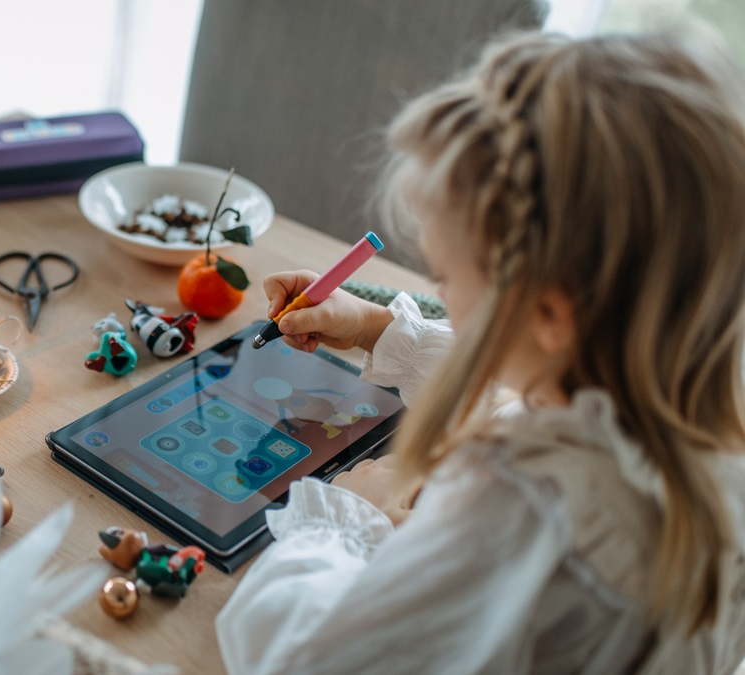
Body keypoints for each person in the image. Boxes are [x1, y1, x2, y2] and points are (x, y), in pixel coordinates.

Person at [216, 30, 745, 675]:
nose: (438, 294)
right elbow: (512, 395)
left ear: (548, 313)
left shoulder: (521, 510)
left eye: (444, 277)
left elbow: (296, 658)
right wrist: (376, 329)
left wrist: (346, 519)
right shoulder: (689, 425)